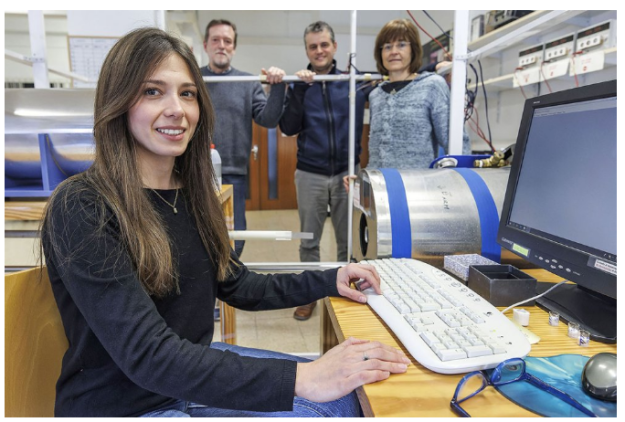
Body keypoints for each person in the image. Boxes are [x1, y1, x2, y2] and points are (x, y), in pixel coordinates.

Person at [40, 27, 410, 418]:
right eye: (152, 91)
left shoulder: (192, 194)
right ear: (117, 101)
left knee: (349, 397)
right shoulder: (83, 205)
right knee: (323, 407)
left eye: (187, 93)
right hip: (125, 405)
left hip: (187, 376)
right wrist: (303, 377)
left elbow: (239, 285)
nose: (177, 109)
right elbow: (149, 355)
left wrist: (329, 279)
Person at [279, 21, 371, 321]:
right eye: (313, 46)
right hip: (311, 174)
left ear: (334, 47)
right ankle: (308, 295)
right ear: (307, 50)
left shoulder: (351, 82)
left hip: (348, 173)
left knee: (349, 240)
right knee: (309, 240)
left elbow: (393, 78)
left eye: (324, 44)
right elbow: (288, 127)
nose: (319, 50)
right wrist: (299, 90)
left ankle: (347, 291)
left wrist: (438, 68)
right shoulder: (299, 84)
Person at [202, 19, 286, 258]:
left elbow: (268, 120)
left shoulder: (248, 83)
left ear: (234, 47)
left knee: (235, 238)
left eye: (227, 41)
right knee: (197, 236)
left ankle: (229, 280)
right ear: (206, 45)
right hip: (194, 172)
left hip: (234, 174)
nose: (221, 45)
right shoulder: (193, 79)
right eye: (216, 40)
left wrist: (277, 87)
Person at [367, 19, 471, 170]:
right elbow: (375, 151)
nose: (393, 51)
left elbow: (455, 143)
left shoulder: (432, 86)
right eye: (387, 46)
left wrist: (462, 178)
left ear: (413, 50)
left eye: (401, 45)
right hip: (379, 183)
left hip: (418, 183)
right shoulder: (375, 95)